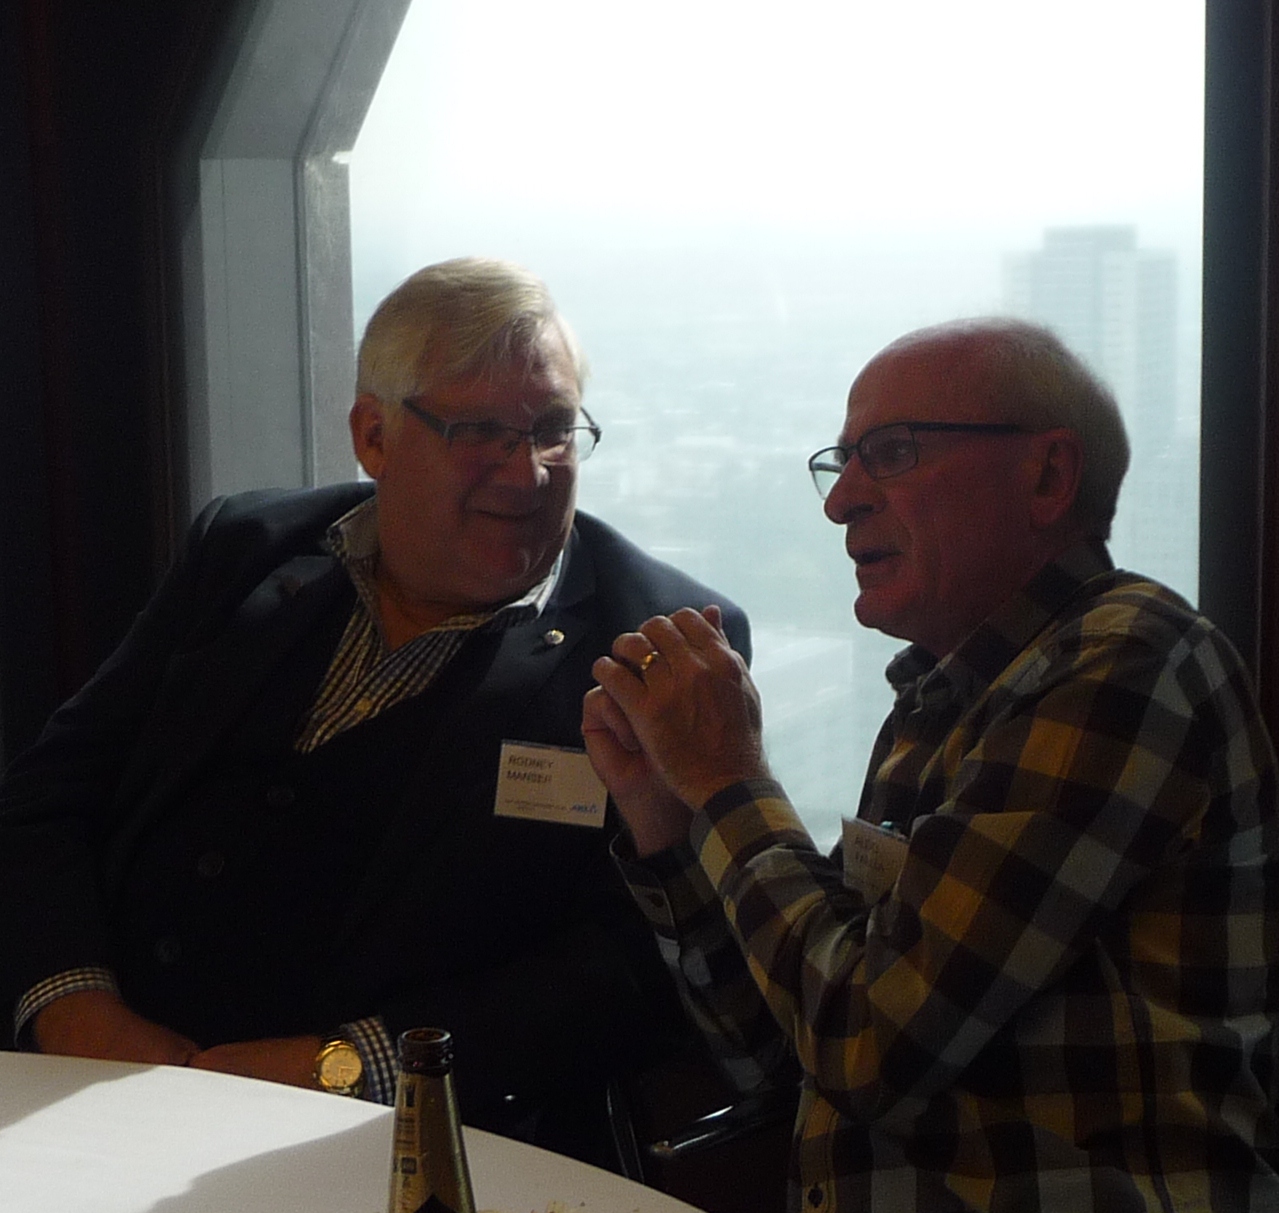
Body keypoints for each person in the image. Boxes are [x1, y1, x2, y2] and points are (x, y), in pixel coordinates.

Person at [582, 318, 1279, 1213]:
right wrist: (668, 824)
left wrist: (728, 783)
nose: (840, 500)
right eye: (841, 461)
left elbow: (873, 1047)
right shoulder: (941, 701)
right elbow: (782, 1056)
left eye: (892, 453)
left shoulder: (1128, 662)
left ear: (1047, 475)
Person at [0, 257, 750, 1166]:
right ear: (374, 436)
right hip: (99, 1095)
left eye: (555, 430)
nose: (528, 473)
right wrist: (74, 1004)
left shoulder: (656, 645)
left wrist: (352, 1066)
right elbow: (47, 797)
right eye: (482, 432)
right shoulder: (245, 549)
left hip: (416, 1153)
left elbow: (636, 966)